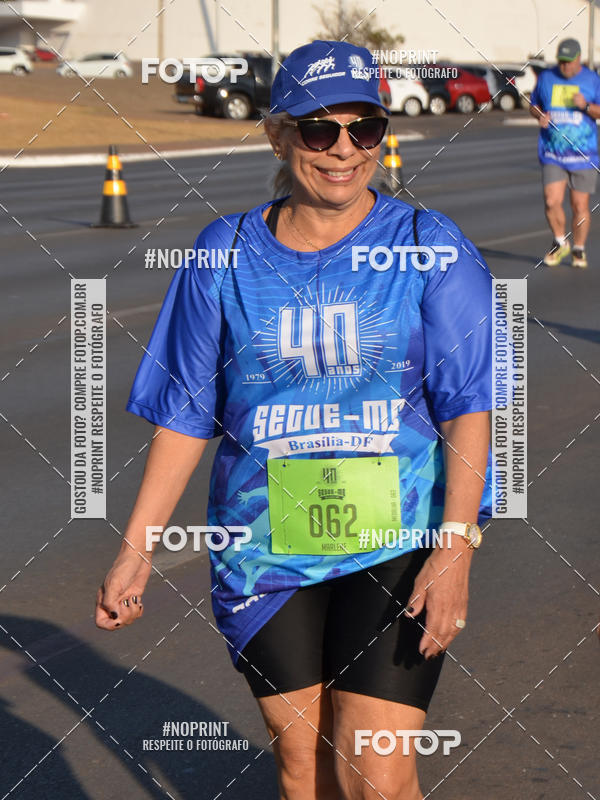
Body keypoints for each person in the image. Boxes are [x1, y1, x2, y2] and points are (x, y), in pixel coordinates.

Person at [95, 40, 493, 800]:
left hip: (401, 535)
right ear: (279, 135)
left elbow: (469, 406)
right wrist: (136, 550)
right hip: (266, 546)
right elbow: (185, 413)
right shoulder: (226, 253)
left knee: (373, 771)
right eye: (319, 130)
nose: (344, 150)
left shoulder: (427, 246)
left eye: (364, 128)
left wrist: (457, 548)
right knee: (303, 768)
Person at [530, 37, 600, 269]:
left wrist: (586, 107)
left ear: (579, 59)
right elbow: (533, 104)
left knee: (579, 206)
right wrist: (539, 115)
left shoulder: (592, 80)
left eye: (569, 62)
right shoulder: (547, 78)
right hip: (553, 153)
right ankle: (560, 242)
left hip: (583, 155)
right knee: (551, 201)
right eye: (561, 61)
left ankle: (578, 249)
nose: (565, 66)